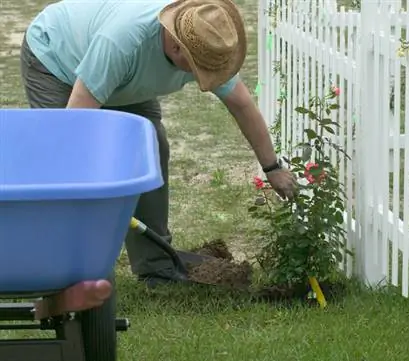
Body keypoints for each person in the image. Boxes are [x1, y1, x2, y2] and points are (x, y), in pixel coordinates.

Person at [21, 0, 298, 289]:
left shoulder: (204, 41)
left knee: (152, 147)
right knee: (73, 163)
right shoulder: (123, 43)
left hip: (125, 79)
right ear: (178, 47)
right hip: (57, 59)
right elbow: (76, 128)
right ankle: (68, 267)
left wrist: (272, 167)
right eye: (197, 70)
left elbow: (241, 104)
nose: (201, 77)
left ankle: (155, 266)